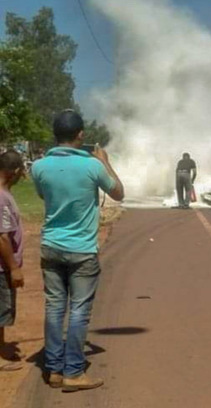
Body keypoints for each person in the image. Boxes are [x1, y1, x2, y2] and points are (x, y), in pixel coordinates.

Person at [31, 110, 124, 392]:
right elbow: (118, 193)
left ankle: (54, 369)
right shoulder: (93, 167)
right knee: (79, 311)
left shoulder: (39, 166)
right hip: (81, 250)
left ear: (55, 134)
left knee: (54, 307)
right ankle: (73, 371)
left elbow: (43, 195)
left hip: (51, 247)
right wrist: (105, 163)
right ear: (81, 135)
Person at [0, 151, 26, 372]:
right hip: (2, 267)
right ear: (15, 172)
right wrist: (14, 268)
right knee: (1, 310)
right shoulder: (2, 198)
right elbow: (2, 237)